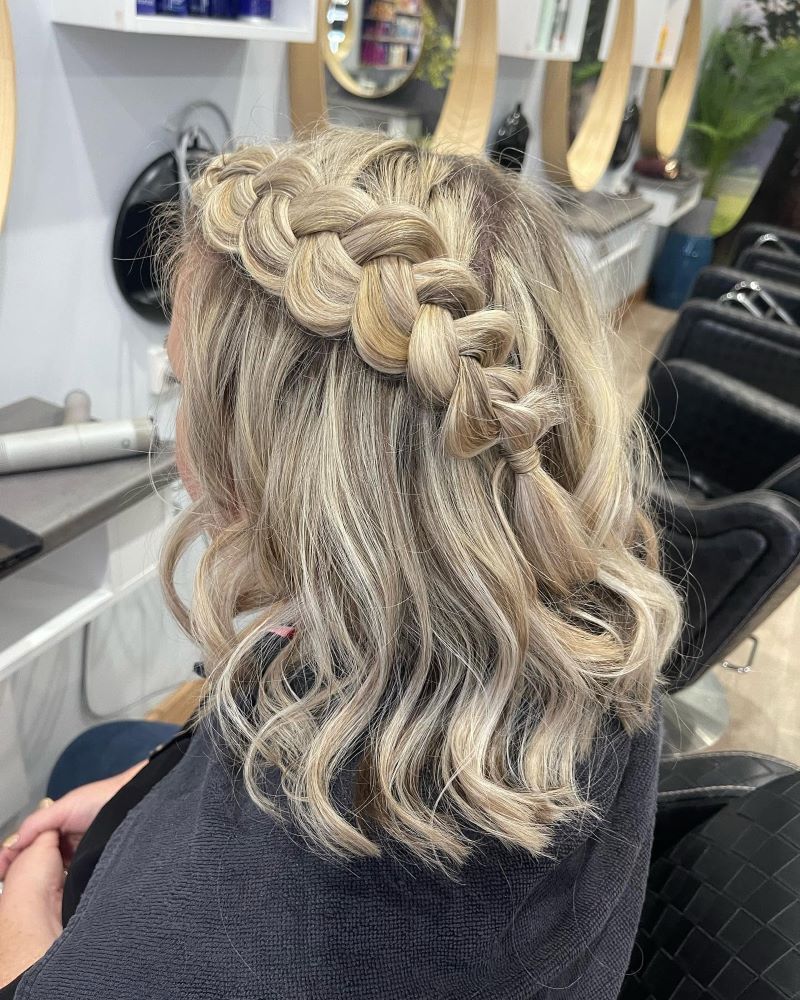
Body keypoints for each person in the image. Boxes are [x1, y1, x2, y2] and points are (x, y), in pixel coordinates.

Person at [0, 128, 680, 999]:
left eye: (181, 392)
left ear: (280, 467)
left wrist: (27, 935)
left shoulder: (179, 961)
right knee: (105, 754)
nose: (179, 433)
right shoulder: (599, 624)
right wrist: (144, 793)